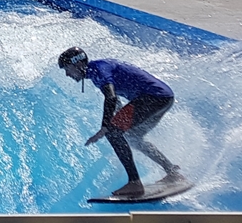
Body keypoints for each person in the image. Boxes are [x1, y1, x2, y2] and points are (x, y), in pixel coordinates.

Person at [58, 46, 182, 197]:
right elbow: (116, 101)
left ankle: (134, 183)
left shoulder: (98, 69)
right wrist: (116, 121)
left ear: (78, 64)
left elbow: (111, 97)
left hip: (154, 98)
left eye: (67, 68)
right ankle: (173, 172)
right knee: (132, 137)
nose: (67, 74)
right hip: (164, 98)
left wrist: (105, 127)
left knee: (113, 133)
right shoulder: (96, 71)